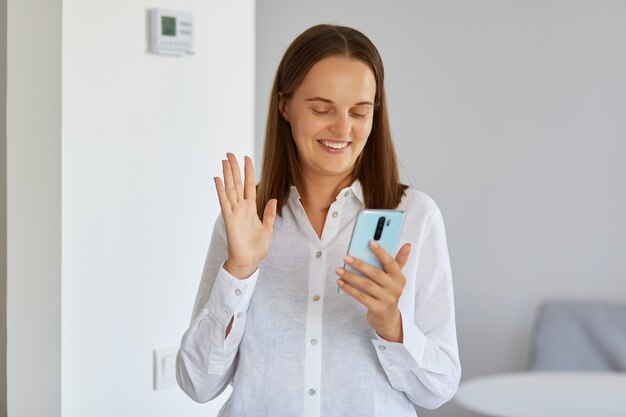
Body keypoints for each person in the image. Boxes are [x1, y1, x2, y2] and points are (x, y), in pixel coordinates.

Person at [176, 24, 461, 417]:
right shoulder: (246, 220)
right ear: (284, 106)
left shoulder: (416, 216)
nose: (343, 129)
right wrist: (239, 272)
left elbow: (440, 388)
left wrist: (391, 324)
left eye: (359, 112)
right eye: (321, 109)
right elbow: (197, 383)